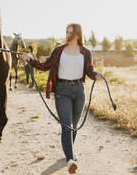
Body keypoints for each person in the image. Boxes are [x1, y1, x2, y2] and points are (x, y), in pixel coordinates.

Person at [20, 23, 103, 174]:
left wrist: (96, 75)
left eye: (70, 32)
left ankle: (69, 151)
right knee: (67, 125)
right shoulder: (59, 51)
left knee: (75, 125)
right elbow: (45, 66)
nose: (67, 34)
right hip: (62, 91)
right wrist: (29, 60)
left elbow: (89, 70)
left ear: (78, 34)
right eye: (66, 31)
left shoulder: (86, 52)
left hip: (79, 91)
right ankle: (70, 159)